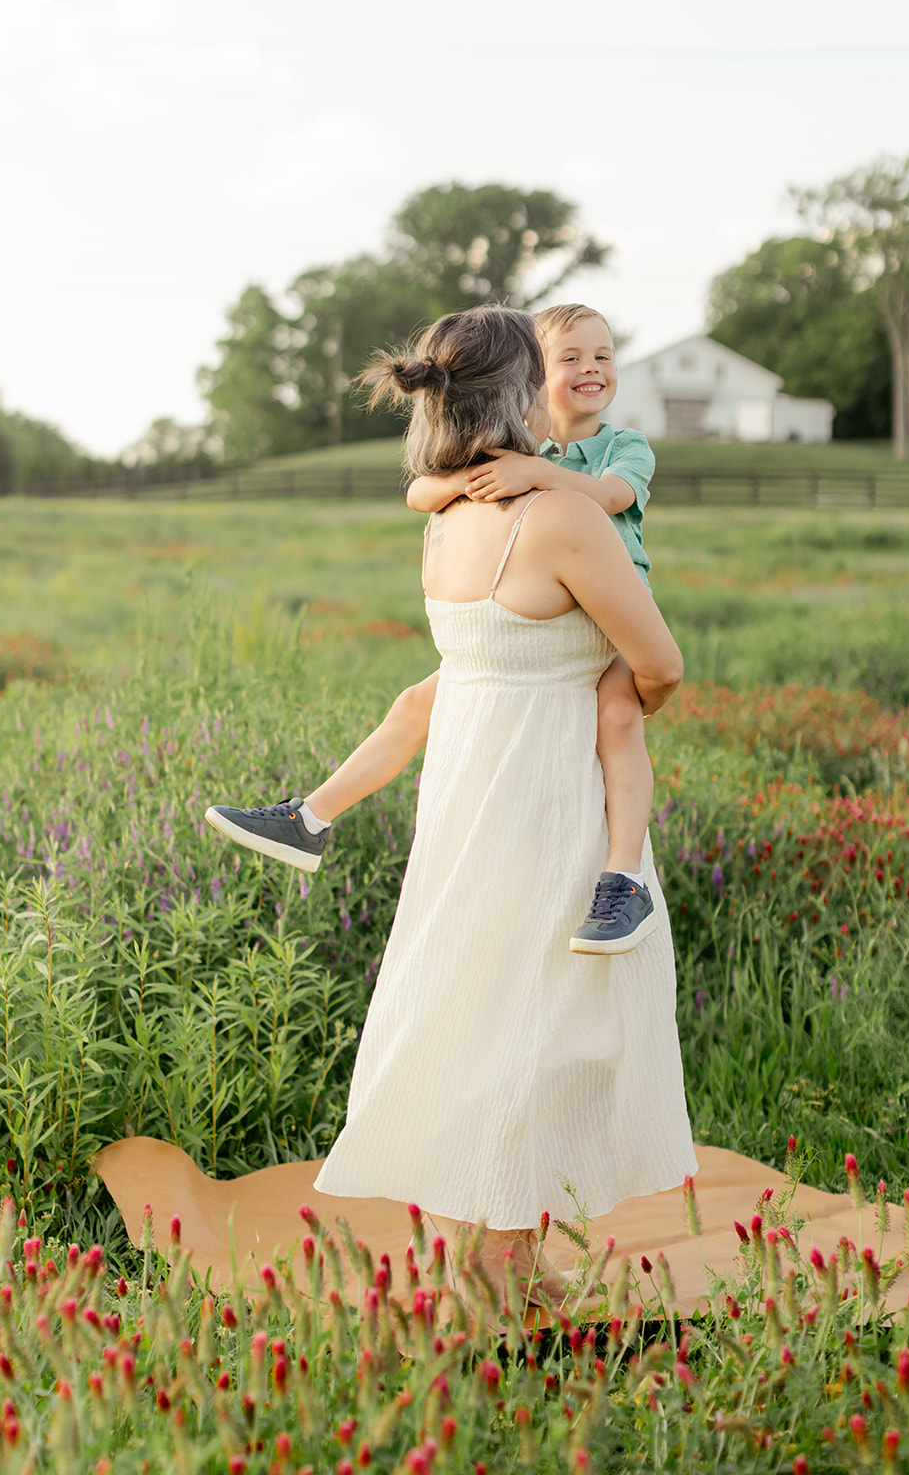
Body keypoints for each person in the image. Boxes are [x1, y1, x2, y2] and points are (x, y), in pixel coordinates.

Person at [305, 305, 696, 1301]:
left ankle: (481, 1257)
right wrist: (618, 701)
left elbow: (470, 663)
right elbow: (658, 661)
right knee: (552, 1025)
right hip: (552, 787)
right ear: (524, 394)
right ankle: (497, 1269)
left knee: (478, 1006)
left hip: (468, 790)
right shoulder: (560, 514)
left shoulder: (440, 518)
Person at [205, 306, 659, 954]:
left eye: (603, 356)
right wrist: (481, 478)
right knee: (413, 702)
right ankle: (309, 817)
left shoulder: (619, 447)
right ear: (531, 383)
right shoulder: (522, 449)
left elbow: (612, 497)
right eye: (569, 358)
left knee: (618, 718)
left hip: (618, 608)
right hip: (554, 615)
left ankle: (623, 877)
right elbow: (421, 492)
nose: (591, 368)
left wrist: (536, 475)